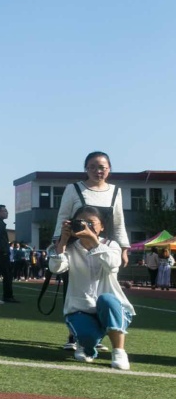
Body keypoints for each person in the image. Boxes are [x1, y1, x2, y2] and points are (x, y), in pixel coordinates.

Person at [48, 206, 133, 370]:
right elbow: (56, 268)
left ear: (102, 226)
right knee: (87, 338)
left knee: (107, 299)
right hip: (81, 308)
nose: (86, 226)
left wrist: (93, 241)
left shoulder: (111, 245)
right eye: (81, 222)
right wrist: (63, 242)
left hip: (112, 307)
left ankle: (119, 351)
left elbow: (113, 265)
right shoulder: (70, 248)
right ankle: (87, 345)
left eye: (91, 222)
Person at [52, 151, 129, 268]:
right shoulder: (73, 188)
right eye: (92, 167)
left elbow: (118, 222)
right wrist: (59, 242)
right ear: (86, 169)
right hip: (77, 248)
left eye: (101, 167)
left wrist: (123, 250)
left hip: (105, 249)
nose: (97, 171)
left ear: (109, 168)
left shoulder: (116, 191)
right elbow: (62, 217)